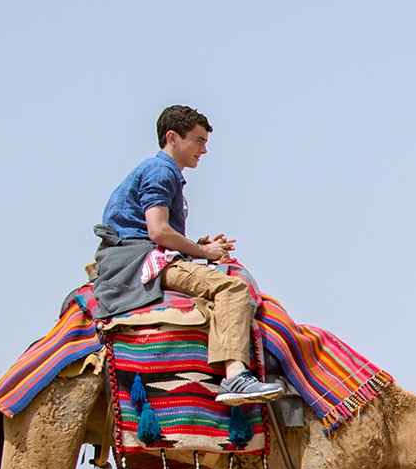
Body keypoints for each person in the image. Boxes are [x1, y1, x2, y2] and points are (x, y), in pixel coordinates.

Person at [95, 105, 286, 404]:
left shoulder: (161, 172)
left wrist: (199, 246)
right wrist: (203, 251)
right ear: (173, 137)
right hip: (136, 262)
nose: (204, 150)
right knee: (232, 287)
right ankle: (235, 375)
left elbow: (156, 233)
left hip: (138, 256)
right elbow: (158, 232)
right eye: (198, 140)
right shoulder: (161, 171)